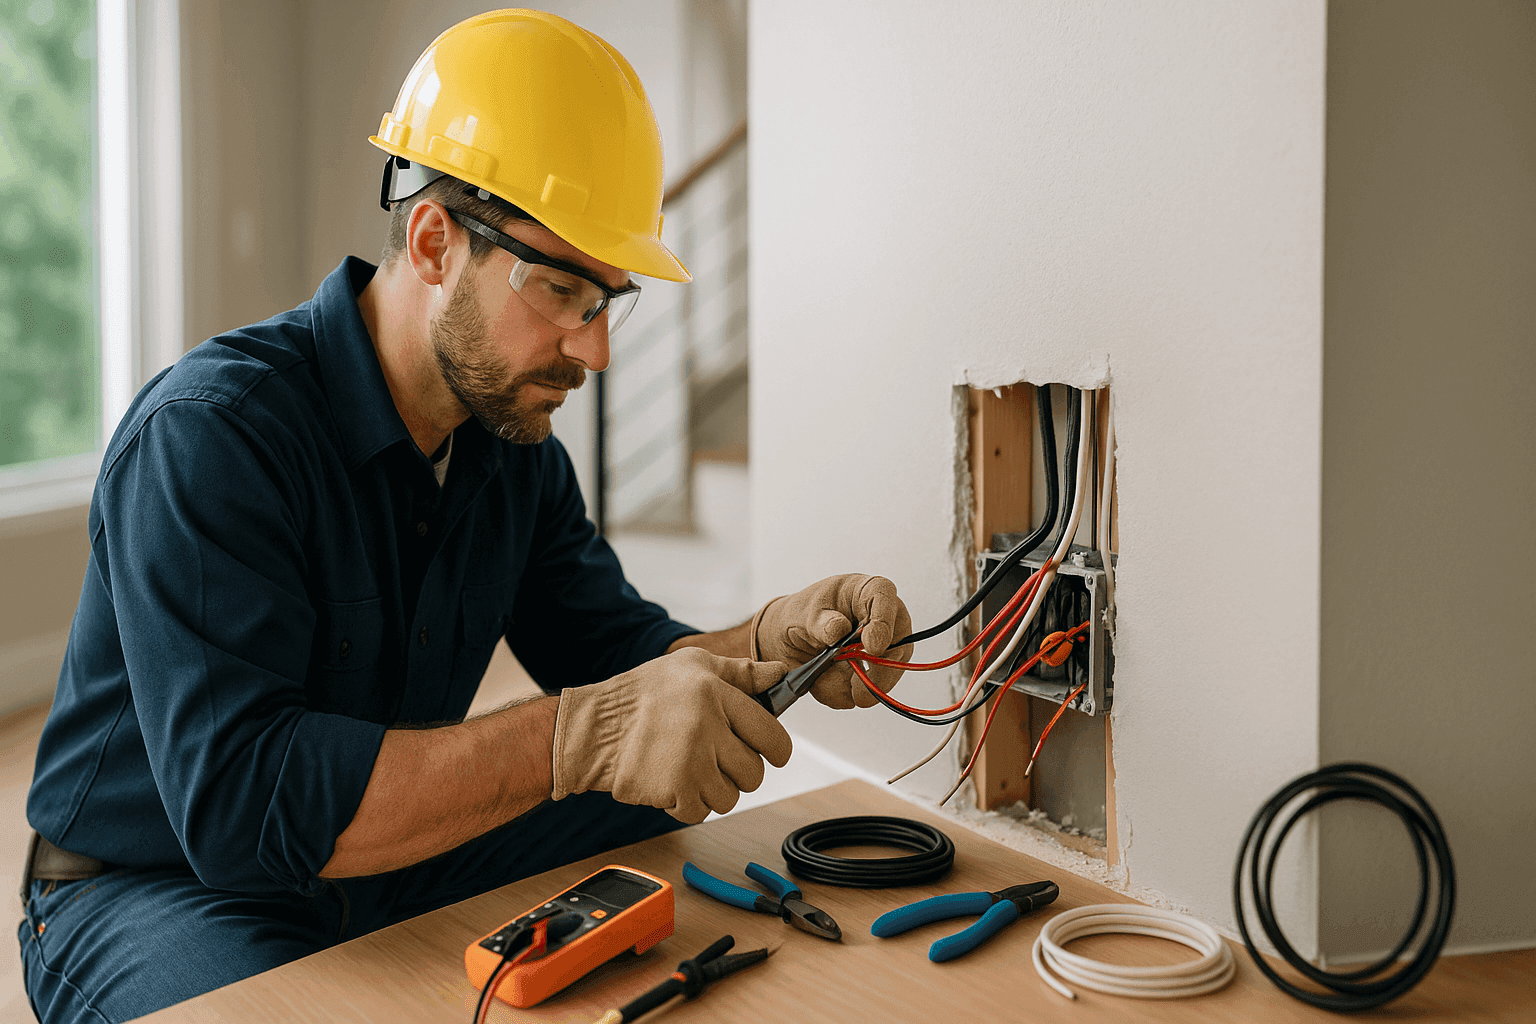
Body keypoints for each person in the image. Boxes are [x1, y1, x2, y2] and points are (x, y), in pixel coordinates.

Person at [17, 10, 913, 1024]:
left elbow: (621, 664)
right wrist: (581, 734)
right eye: (564, 290)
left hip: (375, 863)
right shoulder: (214, 435)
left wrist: (766, 644)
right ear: (435, 241)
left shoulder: (511, 456)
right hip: (152, 885)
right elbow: (241, 805)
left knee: (637, 788)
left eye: (608, 302)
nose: (596, 351)